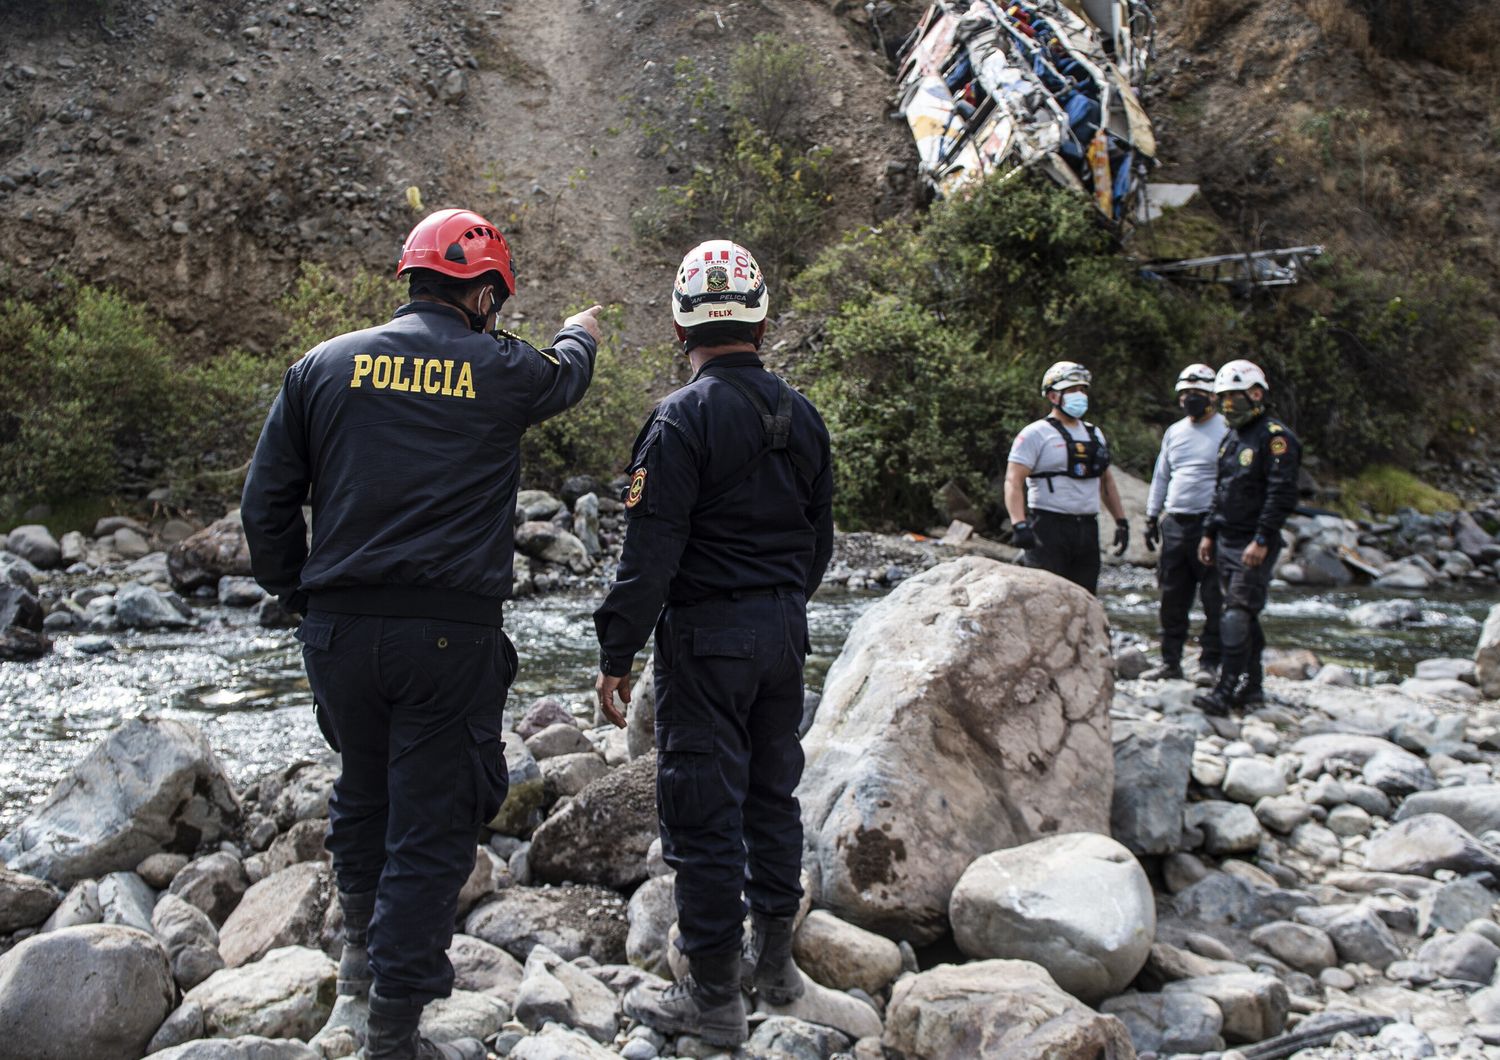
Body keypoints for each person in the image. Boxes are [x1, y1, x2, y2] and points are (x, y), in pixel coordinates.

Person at [241, 207, 601, 1060]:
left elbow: (265, 507)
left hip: (339, 632)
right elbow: (564, 375)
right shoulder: (502, 365)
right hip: (447, 637)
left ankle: (359, 980)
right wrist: (579, 333)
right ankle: (393, 1035)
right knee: (430, 828)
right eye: (497, 301)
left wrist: (299, 592)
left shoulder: (321, 366)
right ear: (479, 292)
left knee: (362, 798)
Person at [592, 239, 834, 1048]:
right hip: (783, 634)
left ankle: (715, 1005)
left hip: (706, 639)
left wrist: (616, 652)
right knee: (773, 794)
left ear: (678, 324)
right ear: (763, 321)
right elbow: (819, 542)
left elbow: (648, 555)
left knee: (702, 812)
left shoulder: (679, 420)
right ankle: (776, 965)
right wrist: (781, 610)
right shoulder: (804, 416)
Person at [1193, 359, 1302, 716]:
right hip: (1226, 538)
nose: (1226, 404)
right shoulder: (1231, 437)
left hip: (1253, 543)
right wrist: (1209, 532)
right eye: (1221, 397)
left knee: (1236, 613)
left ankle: (1226, 689)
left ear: (1255, 394)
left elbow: (1281, 494)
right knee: (1246, 615)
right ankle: (1252, 688)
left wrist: (1263, 539)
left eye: (1233, 397)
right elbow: (1221, 490)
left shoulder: (1275, 438)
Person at [1003, 360, 1129, 594]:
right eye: (1072, 390)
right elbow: (1013, 480)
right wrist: (1019, 524)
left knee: (1085, 596)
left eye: (1082, 390)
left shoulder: (1094, 434)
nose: (1079, 395)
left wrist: (1121, 521)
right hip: (1049, 526)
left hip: (1087, 528)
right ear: (1053, 396)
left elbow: (1106, 481)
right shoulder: (1035, 434)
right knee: (1045, 595)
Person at [1142, 363, 1229, 682]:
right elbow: (1161, 476)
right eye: (1185, 394)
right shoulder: (1174, 432)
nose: (1191, 399)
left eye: (1198, 394)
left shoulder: (1227, 430)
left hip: (1212, 525)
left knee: (1212, 597)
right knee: (1172, 596)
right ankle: (1170, 661)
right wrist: (1152, 516)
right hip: (1175, 523)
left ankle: (1209, 663)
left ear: (1212, 397)